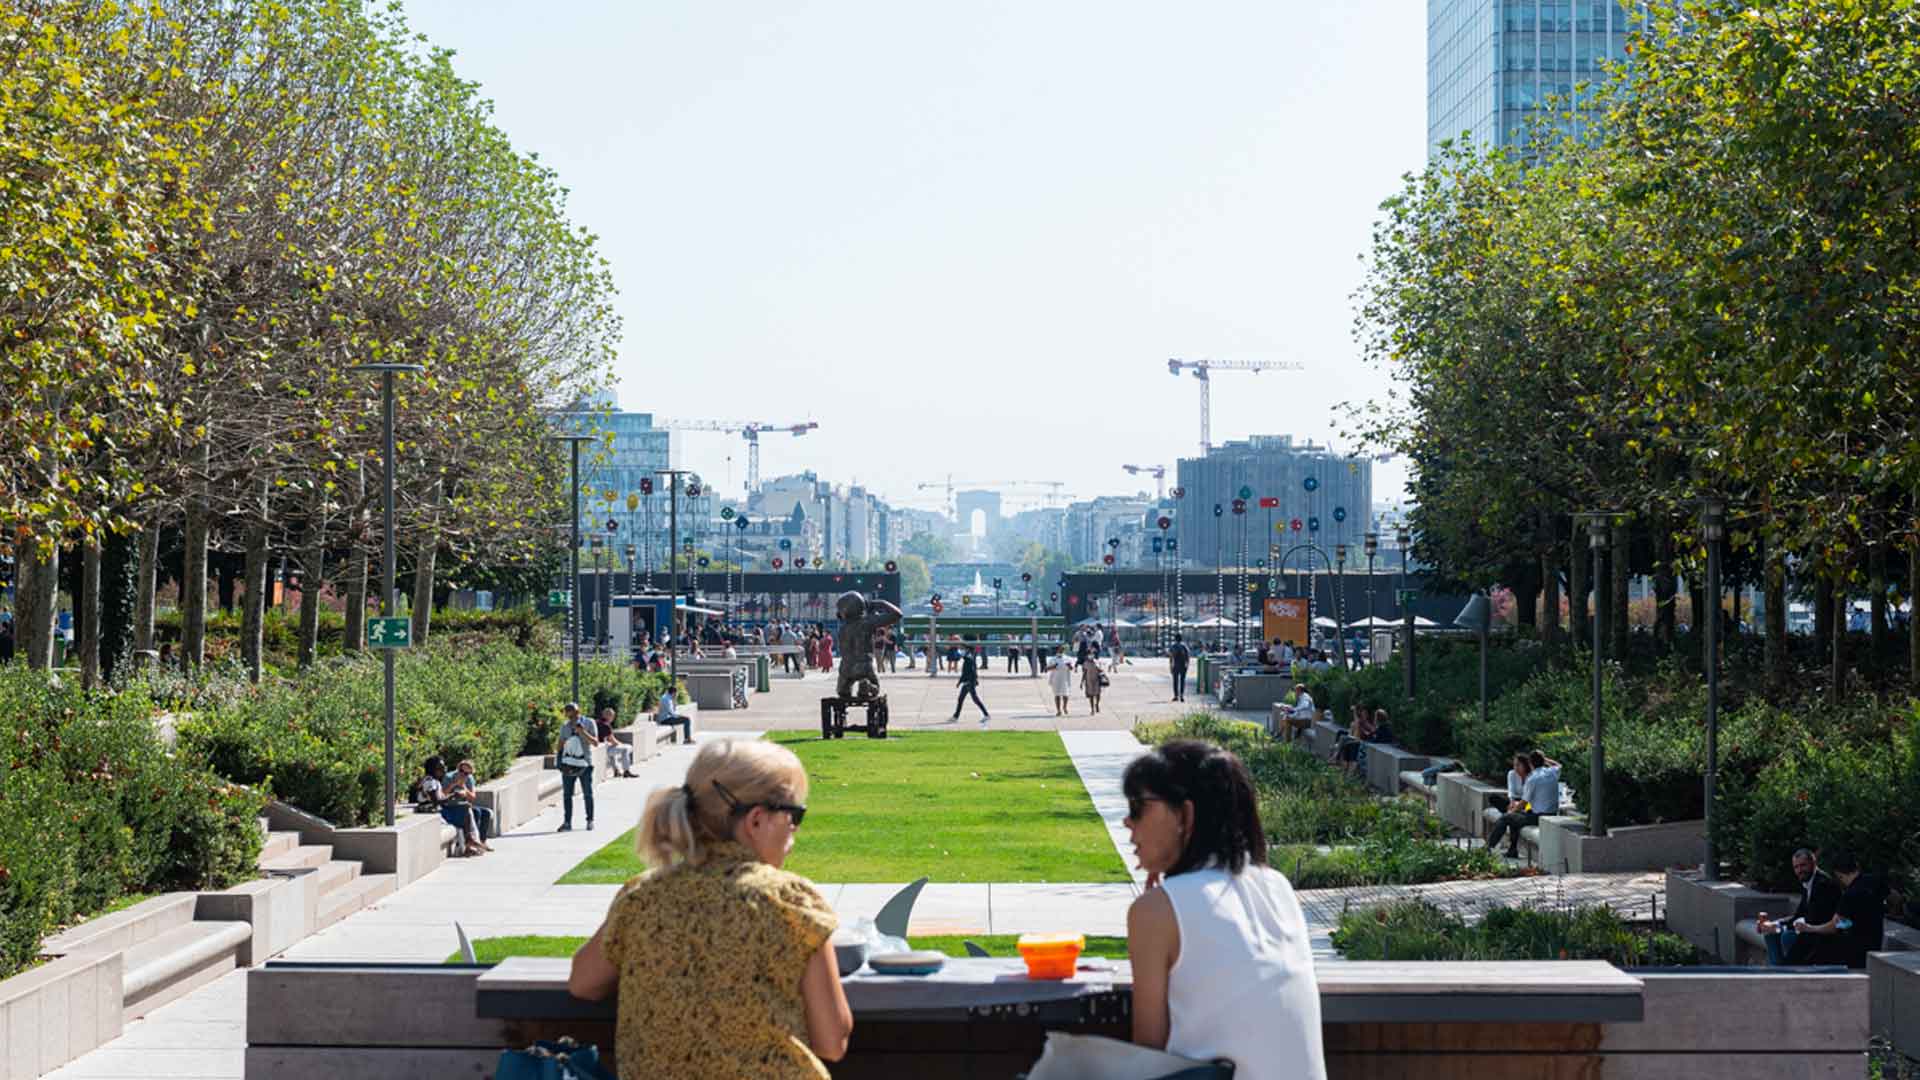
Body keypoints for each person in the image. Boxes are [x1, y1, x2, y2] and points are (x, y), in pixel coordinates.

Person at [566, 739, 851, 1078]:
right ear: (756, 820)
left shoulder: (642, 898)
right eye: (794, 815)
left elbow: (583, 982)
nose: (795, 831)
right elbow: (833, 1041)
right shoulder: (791, 902)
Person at [1121, 740, 1325, 1079]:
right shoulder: (1277, 887)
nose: (1128, 822)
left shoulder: (1157, 912)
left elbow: (1148, 1057)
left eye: (1138, 807)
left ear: (1185, 814)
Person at [1793, 849, 1886, 969]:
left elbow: (1834, 927)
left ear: (1839, 874)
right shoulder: (1874, 881)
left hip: (1853, 954)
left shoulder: (1849, 895)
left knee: (1816, 949)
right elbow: (1895, 899)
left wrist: (1809, 928)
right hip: (1875, 945)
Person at [1756, 848, 1840, 966]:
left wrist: (1779, 928)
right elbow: (1799, 915)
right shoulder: (1808, 882)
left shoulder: (1824, 884)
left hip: (1821, 935)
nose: (1800, 870)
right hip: (1807, 930)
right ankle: (1776, 972)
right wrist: (1776, 924)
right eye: (1796, 867)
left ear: (1813, 863)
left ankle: (1787, 972)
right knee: (1770, 934)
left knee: (1787, 936)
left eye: (1803, 865)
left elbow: (1813, 919)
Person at [1486, 750, 1559, 858]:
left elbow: (1524, 803)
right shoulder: (1552, 772)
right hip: (1552, 814)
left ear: (1530, 763)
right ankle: (1512, 850)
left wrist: (1511, 811)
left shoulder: (1533, 778)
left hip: (1538, 816)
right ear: (1543, 761)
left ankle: (1488, 848)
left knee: (1507, 818)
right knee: (1514, 818)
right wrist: (1544, 759)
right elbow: (1558, 765)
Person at [418, 757, 490, 854]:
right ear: (434, 769)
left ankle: (471, 840)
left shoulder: (434, 781)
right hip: (433, 813)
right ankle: (470, 840)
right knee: (467, 809)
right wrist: (453, 795)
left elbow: (442, 797)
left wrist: (457, 793)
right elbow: (437, 801)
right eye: (442, 767)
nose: (445, 769)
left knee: (471, 809)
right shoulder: (430, 782)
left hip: (439, 810)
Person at [557, 703, 597, 832]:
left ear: (578, 711)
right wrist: (559, 756)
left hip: (585, 763)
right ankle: (567, 822)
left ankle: (590, 820)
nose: (569, 714)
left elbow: (595, 742)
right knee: (567, 795)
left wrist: (582, 731)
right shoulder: (565, 726)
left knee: (588, 793)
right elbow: (560, 745)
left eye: (571, 711)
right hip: (568, 764)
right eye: (567, 711)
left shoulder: (589, 722)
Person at [951, 641, 989, 725]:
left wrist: (970, 681)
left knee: (975, 699)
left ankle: (986, 714)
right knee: (961, 699)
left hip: (969, 682)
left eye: (962, 649)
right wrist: (959, 682)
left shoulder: (969, 659)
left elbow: (972, 672)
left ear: (967, 650)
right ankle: (955, 716)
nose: (961, 650)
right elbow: (964, 673)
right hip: (967, 682)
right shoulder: (968, 658)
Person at [598, 707, 637, 778]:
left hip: (599, 747)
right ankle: (626, 771)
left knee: (613, 749)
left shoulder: (597, 722)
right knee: (626, 749)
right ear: (608, 716)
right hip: (603, 749)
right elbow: (613, 741)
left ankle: (616, 770)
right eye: (612, 716)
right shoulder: (606, 725)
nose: (613, 718)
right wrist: (622, 744)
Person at [1048, 646, 1075, 716]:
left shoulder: (1068, 658)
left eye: (1062, 650)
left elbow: (1072, 668)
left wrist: (1069, 666)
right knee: (1057, 695)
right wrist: (1053, 666)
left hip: (1065, 678)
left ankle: (1065, 707)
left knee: (1065, 694)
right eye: (1059, 650)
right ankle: (1058, 710)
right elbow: (1047, 668)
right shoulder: (1053, 659)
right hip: (1055, 679)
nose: (1060, 651)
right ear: (1056, 651)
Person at [1167, 634, 1191, 702]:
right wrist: (1187, 664)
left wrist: (1171, 666)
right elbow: (1188, 656)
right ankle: (1182, 695)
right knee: (1182, 681)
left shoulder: (1173, 646)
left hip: (1175, 666)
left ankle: (1175, 696)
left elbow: (1171, 657)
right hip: (1183, 665)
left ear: (1175, 639)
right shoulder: (1185, 646)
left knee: (1175, 681)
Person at [1081, 650, 1104, 715]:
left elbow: (1101, 671)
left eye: (1092, 654)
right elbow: (1084, 672)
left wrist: (1099, 669)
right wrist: (1082, 682)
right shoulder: (1085, 663)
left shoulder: (1097, 662)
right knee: (1091, 695)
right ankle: (1092, 709)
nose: (1091, 655)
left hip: (1097, 680)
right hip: (1089, 680)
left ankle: (1097, 704)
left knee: (1098, 694)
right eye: (1089, 654)